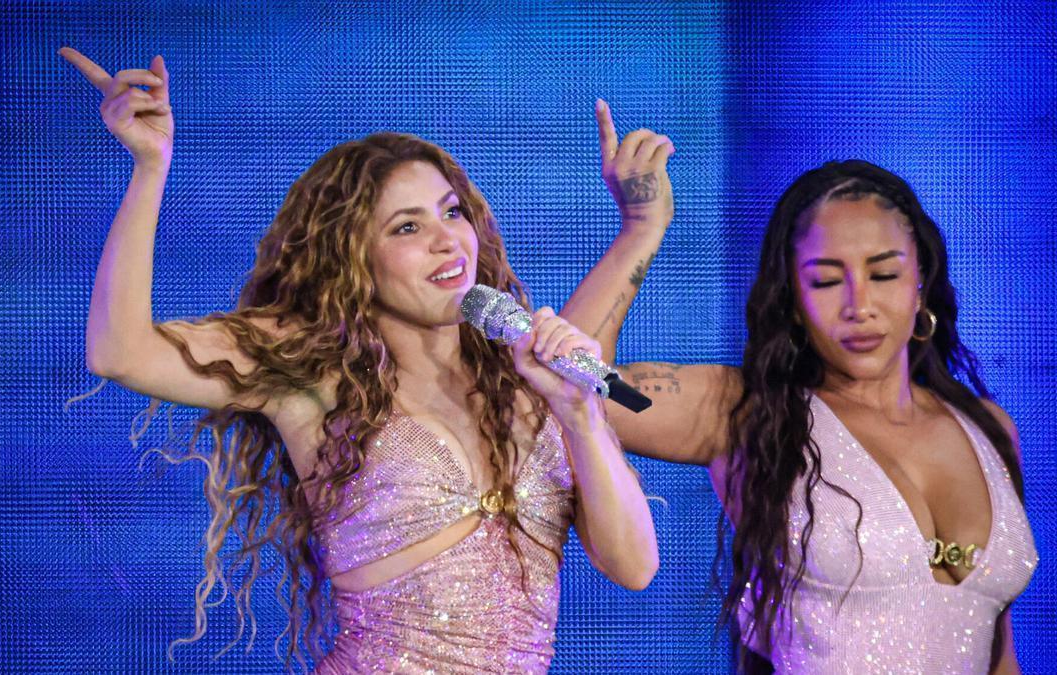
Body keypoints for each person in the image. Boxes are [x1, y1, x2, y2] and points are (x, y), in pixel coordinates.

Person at [58, 48, 658, 673]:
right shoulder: (314, 374)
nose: (447, 240)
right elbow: (121, 353)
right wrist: (149, 167)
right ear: (353, 259)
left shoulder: (531, 382)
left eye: (452, 212)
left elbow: (635, 567)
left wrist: (580, 415)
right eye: (407, 227)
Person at [561, 102, 1037, 673]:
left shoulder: (988, 429)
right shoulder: (746, 412)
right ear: (792, 301)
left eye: (884, 274)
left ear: (921, 284)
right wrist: (641, 228)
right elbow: (572, 377)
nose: (860, 305)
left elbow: (1000, 653)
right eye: (827, 281)